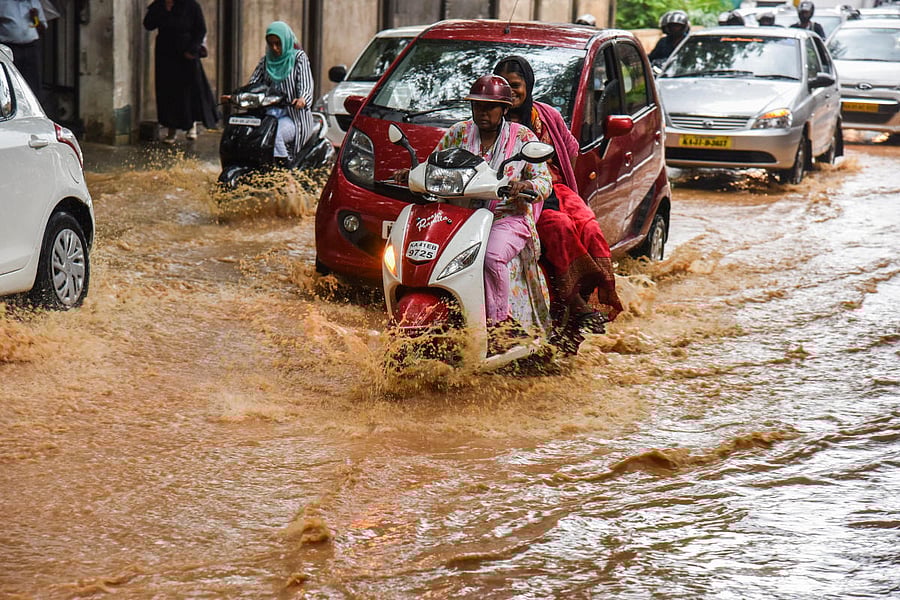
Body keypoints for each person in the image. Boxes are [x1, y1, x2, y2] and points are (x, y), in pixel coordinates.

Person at [393, 75, 553, 339]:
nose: (481, 112)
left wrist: (524, 187)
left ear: (504, 108)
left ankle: (499, 325)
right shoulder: (458, 133)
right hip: (458, 219)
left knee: (490, 257)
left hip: (506, 219)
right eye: (477, 106)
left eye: (489, 106)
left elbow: (544, 181)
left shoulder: (523, 136)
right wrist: (411, 173)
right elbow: (434, 164)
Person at [493, 56, 622, 336]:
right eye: (504, 85)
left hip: (556, 187)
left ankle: (592, 297)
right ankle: (573, 300)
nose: (511, 91)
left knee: (589, 226)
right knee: (558, 227)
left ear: (528, 85)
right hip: (516, 193)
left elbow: (571, 150)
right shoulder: (490, 117)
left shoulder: (546, 116)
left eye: (516, 85)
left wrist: (555, 180)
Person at [143, 0, 218, 143]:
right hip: (165, 54)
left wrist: (192, 49)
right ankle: (171, 129)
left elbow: (200, 29)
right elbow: (148, 24)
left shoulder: (191, 6)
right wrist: (159, 10)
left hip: (186, 53)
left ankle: (191, 125)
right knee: (168, 91)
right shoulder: (158, 6)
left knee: (189, 89)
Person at [244, 21, 315, 164]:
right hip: (269, 115)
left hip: (294, 117)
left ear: (286, 40)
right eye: (271, 44)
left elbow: (306, 84)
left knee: (275, 134)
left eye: (278, 43)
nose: (275, 48)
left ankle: (284, 174)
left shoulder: (299, 58)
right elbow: (253, 84)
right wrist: (237, 96)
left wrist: (303, 99)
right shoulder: (265, 61)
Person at [0, 0, 46, 97]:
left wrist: (35, 18)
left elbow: (42, 29)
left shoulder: (34, 3)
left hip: (31, 47)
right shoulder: (3, 3)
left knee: (33, 81)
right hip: (11, 47)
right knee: (12, 80)